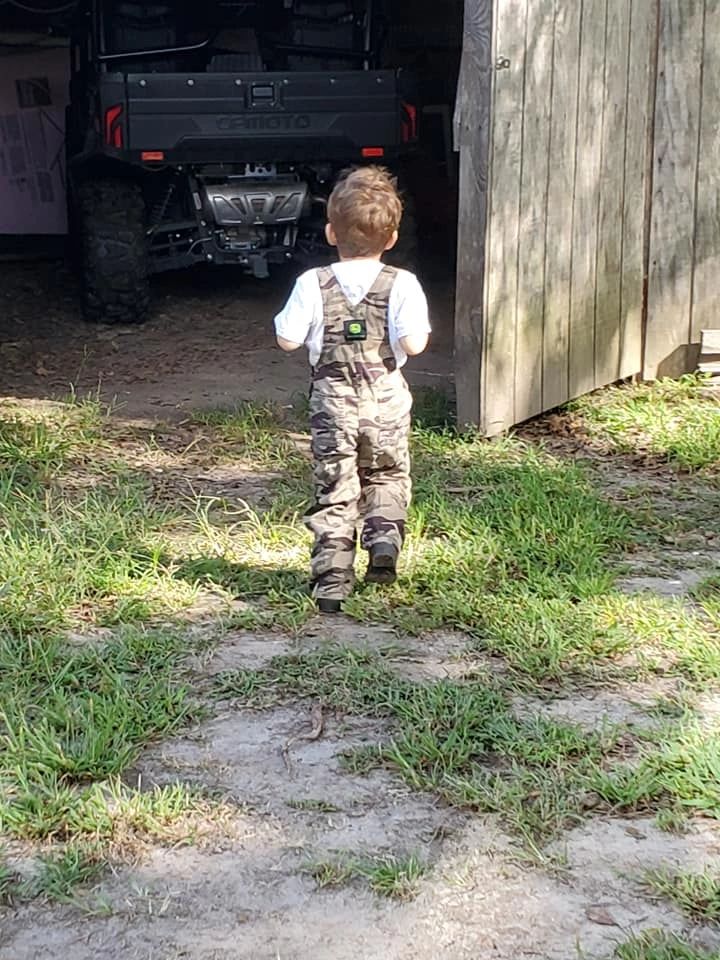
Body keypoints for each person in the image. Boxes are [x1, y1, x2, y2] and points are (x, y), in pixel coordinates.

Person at [273, 166, 430, 613]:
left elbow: (286, 340)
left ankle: (332, 583)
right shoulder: (403, 284)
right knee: (386, 473)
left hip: (333, 404)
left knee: (335, 487)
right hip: (386, 399)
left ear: (329, 232)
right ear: (393, 237)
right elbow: (415, 345)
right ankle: (383, 540)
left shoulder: (312, 283)